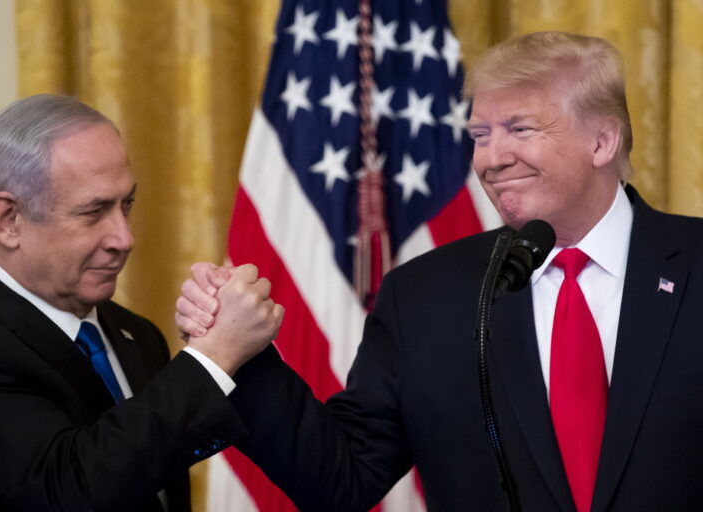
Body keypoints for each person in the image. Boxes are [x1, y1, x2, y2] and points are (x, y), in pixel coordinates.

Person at [176, 31, 703, 511]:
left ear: (602, 141)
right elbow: (341, 479)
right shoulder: (425, 296)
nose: (492, 159)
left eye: (519, 128)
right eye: (480, 134)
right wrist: (240, 355)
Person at [0, 94, 283, 511]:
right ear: (8, 219)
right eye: (94, 211)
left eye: (126, 205)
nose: (125, 239)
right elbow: (72, 491)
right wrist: (213, 357)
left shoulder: (137, 334)